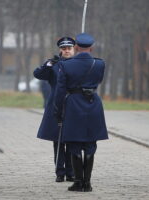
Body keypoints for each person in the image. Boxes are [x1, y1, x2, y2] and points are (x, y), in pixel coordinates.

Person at [54, 33, 108, 192]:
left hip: (73, 104)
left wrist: (58, 109)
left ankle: (78, 182)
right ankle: (87, 183)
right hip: (93, 104)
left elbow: (60, 90)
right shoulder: (99, 64)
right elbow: (98, 81)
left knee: (74, 143)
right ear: (91, 48)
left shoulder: (66, 65)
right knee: (91, 143)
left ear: (76, 47)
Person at [33, 37, 76, 182]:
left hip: (72, 104)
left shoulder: (78, 64)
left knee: (71, 139)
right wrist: (48, 65)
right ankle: (60, 172)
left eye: (69, 48)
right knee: (57, 140)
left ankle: (71, 172)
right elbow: (38, 74)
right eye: (64, 49)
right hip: (56, 104)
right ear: (60, 50)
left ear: (74, 49)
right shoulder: (55, 65)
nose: (66, 51)